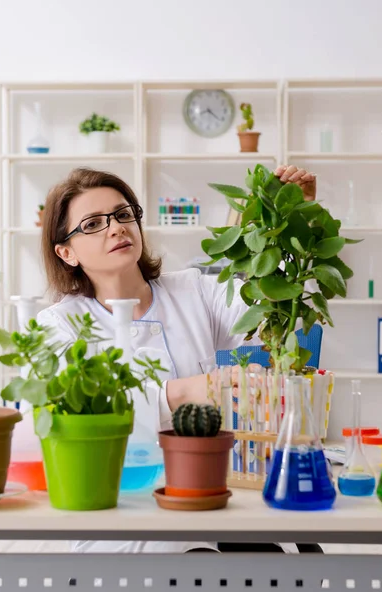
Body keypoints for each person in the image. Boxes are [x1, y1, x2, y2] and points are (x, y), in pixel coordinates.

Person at [38, 165, 317, 555]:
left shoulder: (195, 289)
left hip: (212, 497)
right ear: (65, 252)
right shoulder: (57, 325)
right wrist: (187, 393)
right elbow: (79, 412)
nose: (116, 228)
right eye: (93, 224)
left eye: (122, 214)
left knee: (297, 557)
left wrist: (293, 218)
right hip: (116, 513)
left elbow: (275, 308)